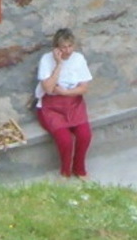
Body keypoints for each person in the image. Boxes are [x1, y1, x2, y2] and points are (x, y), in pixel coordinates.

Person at [35, 28, 93, 179]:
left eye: (70, 46)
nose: (68, 50)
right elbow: (47, 88)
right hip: (51, 106)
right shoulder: (46, 60)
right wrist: (59, 64)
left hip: (73, 102)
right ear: (56, 48)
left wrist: (65, 93)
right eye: (64, 47)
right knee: (65, 139)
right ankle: (65, 171)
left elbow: (84, 87)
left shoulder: (79, 59)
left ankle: (79, 169)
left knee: (84, 135)